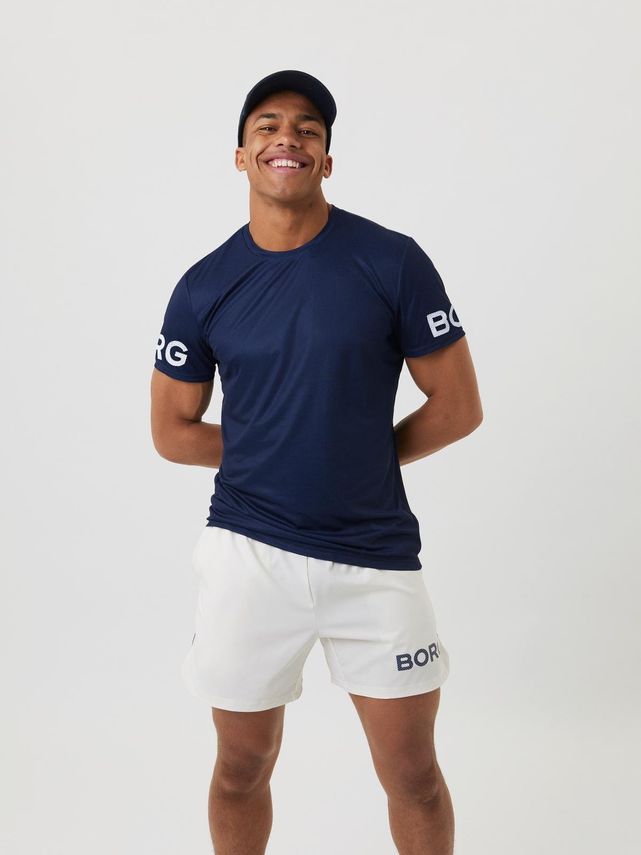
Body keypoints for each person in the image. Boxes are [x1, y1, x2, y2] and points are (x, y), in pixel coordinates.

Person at [150, 69, 482, 855]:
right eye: (266, 126)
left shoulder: (391, 262)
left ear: (326, 159)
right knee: (241, 767)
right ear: (241, 156)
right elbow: (172, 430)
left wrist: (354, 455)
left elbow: (457, 406)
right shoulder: (203, 285)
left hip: (373, 558)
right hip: (248, 556)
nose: (287, 138)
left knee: (414, 776)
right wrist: (280, 451)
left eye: (307, 128)